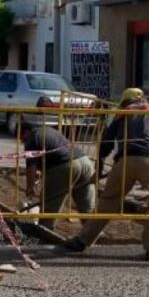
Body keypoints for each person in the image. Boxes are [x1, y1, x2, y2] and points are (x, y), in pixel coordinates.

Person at [65, 88, 149, 261]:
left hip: (125, 161)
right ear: (143, 99)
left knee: (107, 203)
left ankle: (82, 241)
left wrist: (99, 170)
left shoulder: (121, 113)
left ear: (125, 102)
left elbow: (105, 143)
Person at [23, 98, 96, 230]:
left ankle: (44, 233)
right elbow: (49, 157)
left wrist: (29, 187)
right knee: (86, 206)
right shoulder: (49, 131)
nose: (22, 141)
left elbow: (31, 166)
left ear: (25, 132)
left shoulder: (32, 137)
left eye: (21, 138)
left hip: (66, 165)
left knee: (50, 205)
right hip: (85, 162)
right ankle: (92, 234)